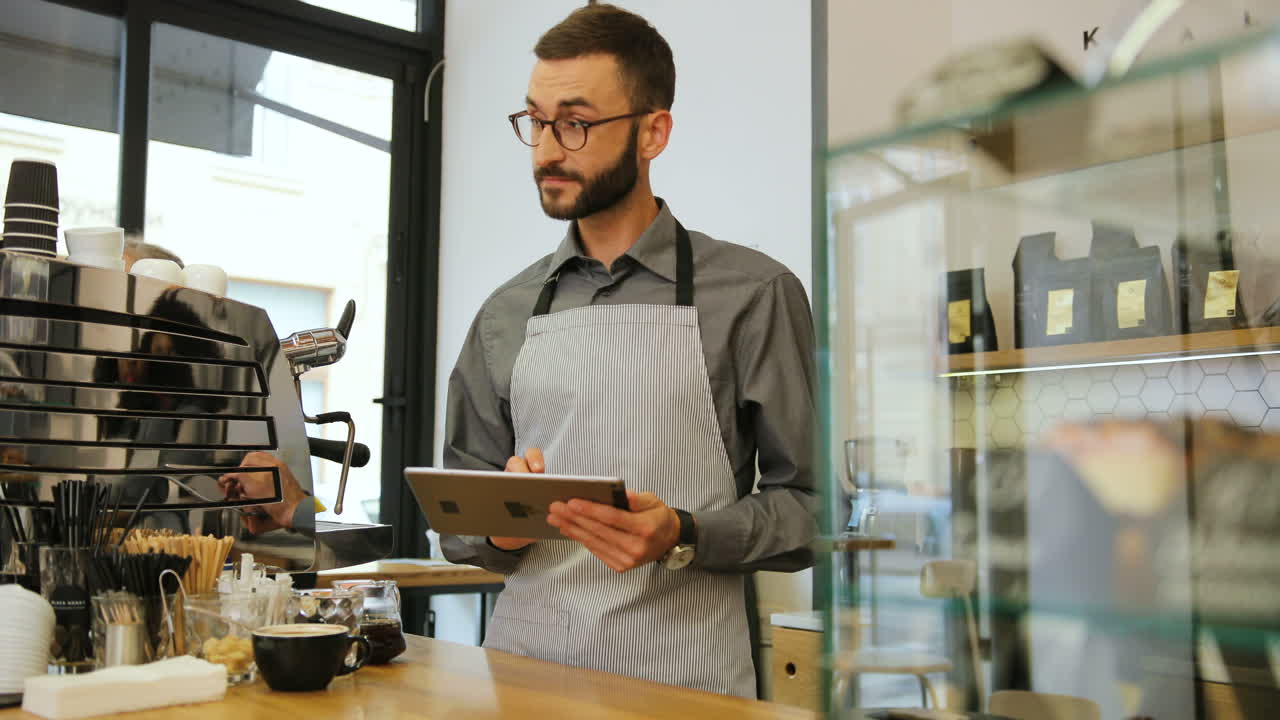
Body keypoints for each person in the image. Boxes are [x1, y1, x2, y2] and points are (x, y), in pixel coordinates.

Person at [439, 4, 817, 698]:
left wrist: (685, 532)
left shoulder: (754, 294)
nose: (546, 151)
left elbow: (810, 509)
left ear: (653, 132)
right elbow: (460, 525)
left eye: (575, 123)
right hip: (526, 677)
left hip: (686, 683)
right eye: (535, 121)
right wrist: (505, 529)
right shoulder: (504, 312)